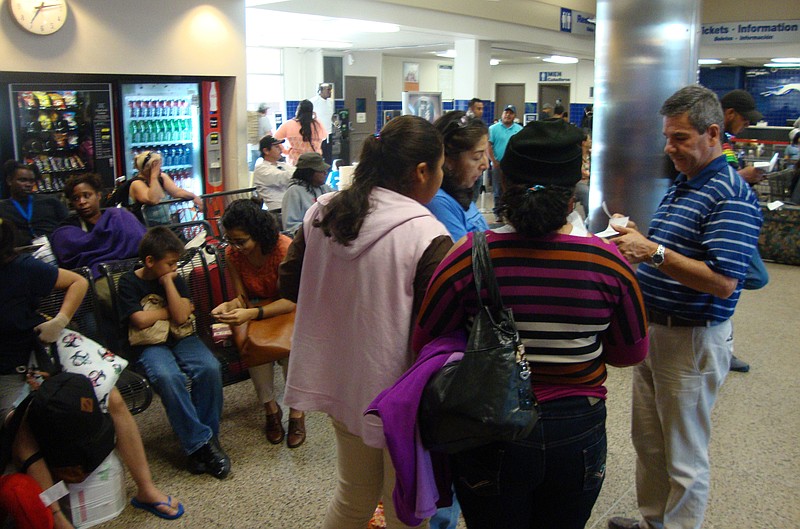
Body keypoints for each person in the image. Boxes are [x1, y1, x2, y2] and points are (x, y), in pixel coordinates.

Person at [414, 119, 649, 529]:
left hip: (488, 425)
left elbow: (426, 340)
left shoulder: (466, 255)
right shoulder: (609, 264)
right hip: (576, 427)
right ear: (573, 189)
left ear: (504, 178)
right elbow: (631, 353)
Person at [278, 115, 453, 529]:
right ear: (422, 171)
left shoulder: (325, 211)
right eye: (441, 167)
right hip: (400, 393)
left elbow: (290, 283)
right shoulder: (426, 235)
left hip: (339, 379)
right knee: (407, 507)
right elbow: (439, 327)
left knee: (354, 495)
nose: (442, 176)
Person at [607, 85, 762, 529]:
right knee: (650, 444)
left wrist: (652, 251)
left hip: (690, 338)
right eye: (667, 136)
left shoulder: (729, 194)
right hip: (655, 331)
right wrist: (637, 241)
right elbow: (674, 252)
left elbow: (721, 281)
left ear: (712, 133)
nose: (668, 147)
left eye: (679, 138)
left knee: (684, 454)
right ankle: (655, 521)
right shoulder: (687, 184)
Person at [0, 217, 183, 528]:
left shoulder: (21, 268)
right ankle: (56, 516)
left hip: (44, 347)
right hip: (6, 371)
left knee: (111, 397)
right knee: (20, 430)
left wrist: (59, 320)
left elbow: (77, 282)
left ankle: (146, 489)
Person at [117, 226, 230, 479]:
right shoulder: (128, 282)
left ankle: (205, 443)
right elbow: (139, 320)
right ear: (149, 261)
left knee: (209, 368)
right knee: (169, 377)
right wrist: (172, 309)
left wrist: (168, 281)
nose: (174, 268)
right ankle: (202, 445)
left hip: (182, 338)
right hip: (149, 345)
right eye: (169, 264)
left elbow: (181, 317)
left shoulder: (174, 277)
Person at [210, 199, 305, 447]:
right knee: (254, 351)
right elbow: (242, 297)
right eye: (231, 240)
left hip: (286, 308)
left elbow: (292, 301)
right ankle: (271, 411)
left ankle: (297, 413)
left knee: (289, 356)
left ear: (258, 233)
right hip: (257, 309)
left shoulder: (284, 249)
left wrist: (250, 313)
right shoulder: (232, 254)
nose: (236, 246)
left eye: (241, 241)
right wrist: (230, 306)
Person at [720, 88, 769, 373]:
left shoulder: (725, 141)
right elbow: (713, 179)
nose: (746, 125)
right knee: (750, 276)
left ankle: (724, 344)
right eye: (745, 120)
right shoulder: (714, 140)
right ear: (729, 114)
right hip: (727, 223)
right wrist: (743, 176)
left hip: (736, 220)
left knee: (736, 283)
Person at [51, 172, 146, 278]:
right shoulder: (66, 231)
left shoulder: (120, 217)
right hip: (101, 277)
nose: (82, 202)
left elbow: (141, 242)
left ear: (98, 195)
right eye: (76, 198)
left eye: (87, 195)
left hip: (135, 269)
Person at [427, 111, 489, 241]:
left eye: (485, 153)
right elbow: (465, 257)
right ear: (448, 160)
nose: (485, 164)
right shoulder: (438, 202)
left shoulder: (459, 192)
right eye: (477, 156)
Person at [0, 160, 68, 247]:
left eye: (31, 181)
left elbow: (68, 225)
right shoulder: (2, 208)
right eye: (22, 180)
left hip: (55, 247)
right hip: (21, 253)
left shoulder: (51, 201)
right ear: (9, 181)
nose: (28, 184)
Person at [129, 151, 202, 226]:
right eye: (157, 166)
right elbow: (153, 200)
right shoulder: (136, 184)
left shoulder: (162, 177)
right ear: (149, 168)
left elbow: (176, 191)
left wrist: (194, 196)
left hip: (166, 225)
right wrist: (153, 176)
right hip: (148, 228)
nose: (160, 169)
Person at [281, 152, 333, 237]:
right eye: (321, 170)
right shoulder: (294, 192)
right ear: (309, 172)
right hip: (307, 238)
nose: (325, 173)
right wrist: (316, 230)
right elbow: (290, 226)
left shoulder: (325, 188)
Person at [488, 105, 523, 222]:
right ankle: (498, 212)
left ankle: (511, 212)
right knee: (498, 190)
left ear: (514, 116)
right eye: (506, 112)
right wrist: (493, 160)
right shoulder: (493, 129)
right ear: (502, 114)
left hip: (513, 166)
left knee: (512, 189)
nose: (508, 115)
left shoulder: (519, 130)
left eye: (511, 113)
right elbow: (488, 146)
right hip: (498, 165)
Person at [252, 135, 295, 228]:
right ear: (266, 151)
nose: (280, 149)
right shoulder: (261, 169)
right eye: (276, 147)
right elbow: (284, 178)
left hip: (290, 207)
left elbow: (295, 173)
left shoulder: (283, 164)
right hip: (277, 211)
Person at [274, 99, 328, 166]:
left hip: (295, 162)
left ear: (298, 110)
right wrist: (316, 119)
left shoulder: (289, 124)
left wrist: (285, 151)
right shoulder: (318, 125)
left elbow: (275, 139)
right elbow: (324, 137)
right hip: (314, 162)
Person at [310, 83, 335, 165]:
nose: (330, 92)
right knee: (318, 156)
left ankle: (327, 174)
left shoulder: (331, 102)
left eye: (330, 90)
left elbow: (331, 116)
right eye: (328, 90)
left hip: (329, 133)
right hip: (318, 135)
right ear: (320, 91)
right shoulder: (313, 101)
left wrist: (336, 122)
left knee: (329, 157)